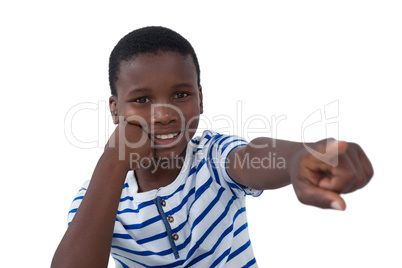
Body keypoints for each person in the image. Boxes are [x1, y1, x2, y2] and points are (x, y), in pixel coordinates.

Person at [51, 26, 374, 268]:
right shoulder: (99, 195)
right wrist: (113, 161)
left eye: (181, 95)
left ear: (200, 99)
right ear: (115, 109)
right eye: (142, 100)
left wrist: (298, 157)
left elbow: (253, 156)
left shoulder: (213, 157)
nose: (165, 114)